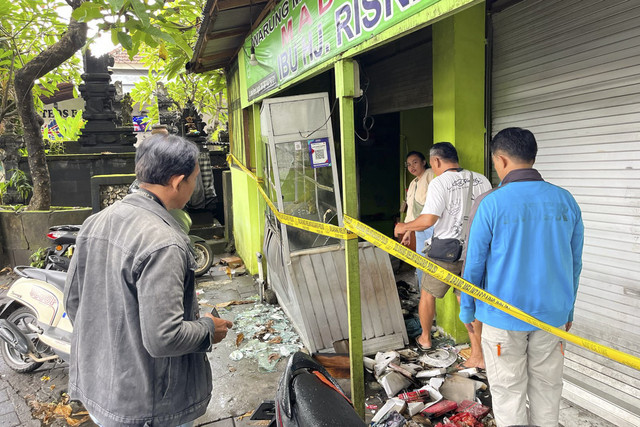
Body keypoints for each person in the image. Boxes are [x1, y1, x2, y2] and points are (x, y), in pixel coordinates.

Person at [64, 134, 233, 427]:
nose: (194, 188)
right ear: (178, 182)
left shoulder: (96, 222)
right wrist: (208, 329)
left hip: (101, 386)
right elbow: (164, 338)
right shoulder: (164, 242)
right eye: (194, 180)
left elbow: (74, 302)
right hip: (148, 406)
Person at [459, 127, 584, 426]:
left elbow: (473, 266)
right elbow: (574, 263)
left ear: (500, 160)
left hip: (502, 320)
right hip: (551, 317)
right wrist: (568, 311)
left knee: (508, 392)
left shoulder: (491, 203)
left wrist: (467, 309)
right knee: (548, 389)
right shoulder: (566, 200)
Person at [394, 142, 491, 369]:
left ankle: (425, 339)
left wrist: (403, 227)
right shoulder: (482, 180)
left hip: (444, 253)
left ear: (436, 161)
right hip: (474, 253)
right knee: (467, 301)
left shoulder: (440, 182)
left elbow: (428, 219)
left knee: (428, 295)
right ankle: (477, 354)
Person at [400, 151, 435, 284]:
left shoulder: (430, 174)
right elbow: (412, 211)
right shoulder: (413, 183)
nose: (411, 167)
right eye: (409, 164)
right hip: (420, 229)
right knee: (421, 262)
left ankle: (431, 294)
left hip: (432, 227)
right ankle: (423, 293)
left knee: (433, 262)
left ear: (424, 162)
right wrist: (409, 231)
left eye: (415, 162)